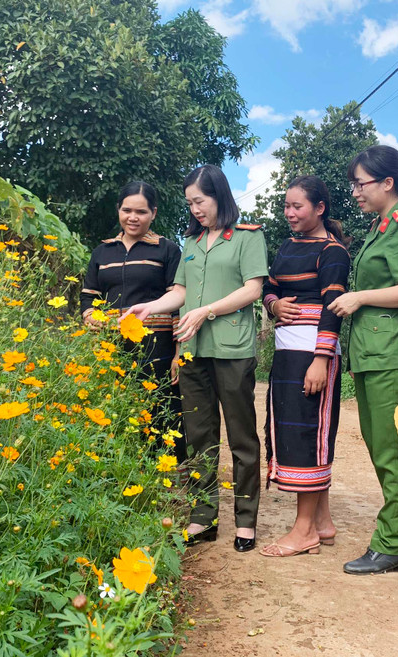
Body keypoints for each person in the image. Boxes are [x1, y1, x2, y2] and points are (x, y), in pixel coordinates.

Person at [124, 165, 268, 552]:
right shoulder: (190, 243)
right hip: (192, 350)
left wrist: (208, 311)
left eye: (199, 201)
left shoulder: (247, 237)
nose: (195, 209)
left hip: (232, 348)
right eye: (190, 203)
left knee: (241, 437)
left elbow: (253, 289)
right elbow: (181, 293)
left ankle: (246, 520)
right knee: (199, 438)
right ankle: (203, 518)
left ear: (219, 196)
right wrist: (150, 306)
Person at [328, 145, 398, 575]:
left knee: (391, 451)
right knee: (380, 446)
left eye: (360, 183)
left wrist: (359, 297)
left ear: (387, 183)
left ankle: (391, 546)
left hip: (393, 356)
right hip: (373, 355)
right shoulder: (380, 228)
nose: (354, 191)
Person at [261, 176, 350, 557]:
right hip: (285, 353)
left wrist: (320, 359)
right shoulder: (286, 247)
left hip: (315, 355)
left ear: (319, 208)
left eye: (297, 206)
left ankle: (303, 531)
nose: (290, 213)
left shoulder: (333, 252)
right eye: (286, 206)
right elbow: (271, 285)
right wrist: (273, 305)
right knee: (291, 429)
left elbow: (334, 307)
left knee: (309, 436)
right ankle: (323, 523)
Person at [80, 181, 185, 460]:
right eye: (126, 210)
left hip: (157, 345)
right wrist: (93, 319)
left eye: (141, 212)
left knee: (162, 408)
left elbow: (179, 301)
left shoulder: (168, 250)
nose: (132, 217)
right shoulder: (102, 252)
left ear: (154, 213)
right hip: (111, 344)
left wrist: (178, 352)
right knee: (115, 408)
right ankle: (122, 470)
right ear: (118, 210)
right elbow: (88, 297)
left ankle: (169, 477)